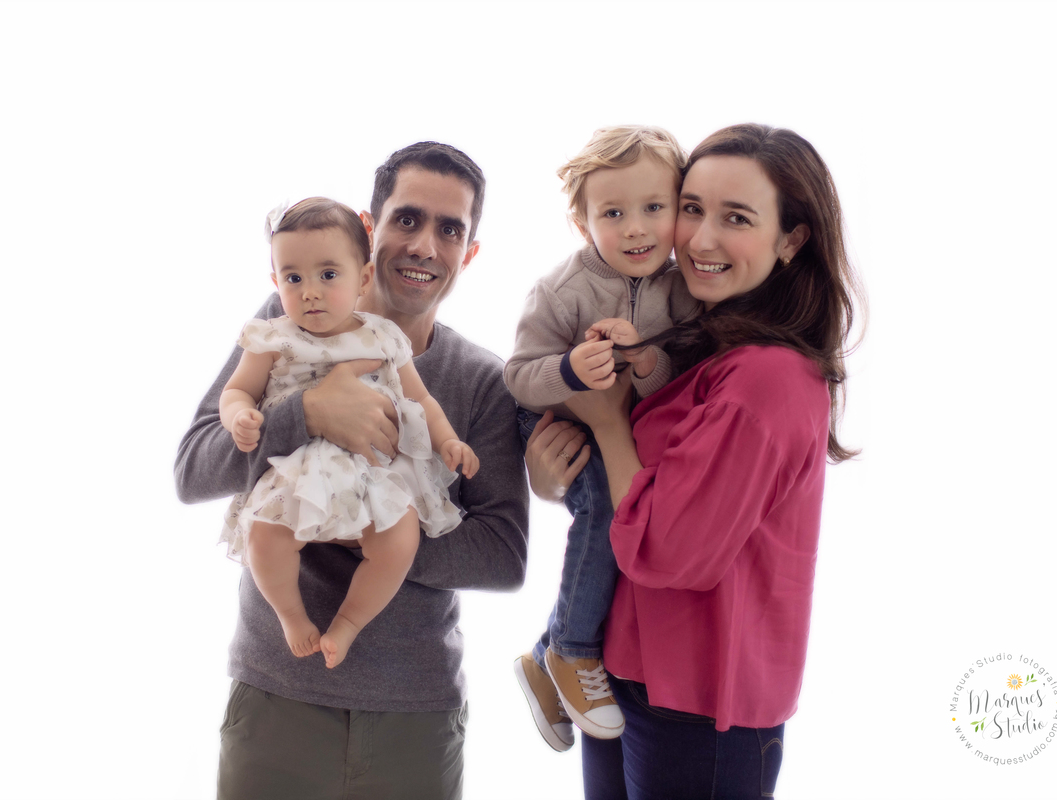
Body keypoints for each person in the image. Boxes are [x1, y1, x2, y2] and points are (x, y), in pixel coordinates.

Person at [175, 143, 529, 800]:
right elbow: (193, 471)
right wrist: (304, 413)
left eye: (449, 229)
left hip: (414, 715)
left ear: (469, 253)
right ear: (370, 231)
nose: (424, 244)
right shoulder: (286, 317)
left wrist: (363, 528)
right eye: (407, 219)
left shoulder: (481, 381)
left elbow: (505, 556)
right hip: (276, 694)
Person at [556, 123, 864, 798]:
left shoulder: (766, 380)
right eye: (691, 208)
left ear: (792, 239)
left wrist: (607, 423)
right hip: (629, 671)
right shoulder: (704, 344)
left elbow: (668, 549)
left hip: (699, 708)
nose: (699, 239)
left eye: (736, 218)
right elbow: (628, 494)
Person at [218, 196, 479, 670]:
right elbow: (237, 390)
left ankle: (349, 622)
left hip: (370, 474)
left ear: (362, 278)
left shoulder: (383, 337)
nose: (310, 291)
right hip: (295, 471)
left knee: (399, 539)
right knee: (264, 538)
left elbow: (422, 400)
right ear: (276, 283)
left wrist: (447, 441)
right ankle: (291, 616)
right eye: (294, 278)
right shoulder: (272, 337)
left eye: (328, 275)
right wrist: (240, 415)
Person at [504, 126, 698, 748]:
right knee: (611, 511)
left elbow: (682, 373)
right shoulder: (563, 290)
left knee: (629, 524)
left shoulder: (682, 291)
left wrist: (646, 363)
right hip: (556, 417)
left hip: (624, 424)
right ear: (583, 223)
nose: (636, 228)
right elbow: (518, 374)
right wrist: (567, 370)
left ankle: (544, 654)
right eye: (613, 213)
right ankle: (575, 650)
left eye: (653, 209)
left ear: (677, 209)